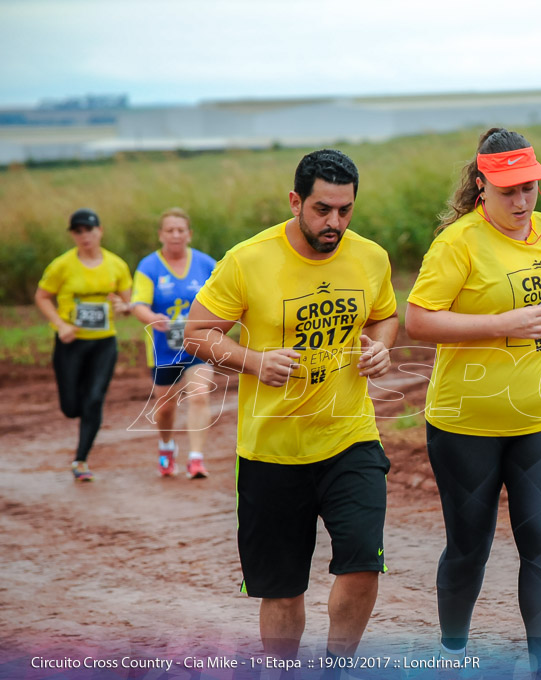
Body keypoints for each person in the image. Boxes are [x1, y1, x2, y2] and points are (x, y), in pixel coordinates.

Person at [183, 149, 398, 664]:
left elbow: (385, 316)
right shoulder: (248, 259)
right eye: (323, 209)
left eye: (346, 210)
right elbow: (194, 334)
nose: (335, 222)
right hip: (272, 451)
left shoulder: (370, 256)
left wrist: (382, 345)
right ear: (295, 200)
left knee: (363, 563)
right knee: (282, 589)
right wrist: (253, 360)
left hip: (350, 437)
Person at [405, 127, 541, 678]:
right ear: (482, 183)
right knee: (469, 545)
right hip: (466, 422)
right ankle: (453, 654)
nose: (520, 201)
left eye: (528, 188)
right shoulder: (458, 242)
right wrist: (497, 324)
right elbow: (418, 320)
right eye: (508, 190)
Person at [34, 208, 132, 482]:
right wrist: (60, 325)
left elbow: (128, 304)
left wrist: (123, 307)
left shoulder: (116, 265)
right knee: (71, 407)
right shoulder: (62, 265)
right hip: (71, 344)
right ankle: (77, 418)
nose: (84, 236)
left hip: (104, 344)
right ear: (73, 235)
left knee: (94, 399)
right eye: (78, 231)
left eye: (89, 230)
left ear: (100, 231)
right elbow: (42, 297)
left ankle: (81, 460)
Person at [130, 207, 218, 479]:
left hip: (198, 343)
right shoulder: (149, 266)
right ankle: (166, 446)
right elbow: (138, 304)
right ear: (161, 235)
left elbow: (225, 300)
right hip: (163, 348)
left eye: (181, 230)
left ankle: (196, 458)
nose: (176, 235)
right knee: (166, 408)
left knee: (200, 395)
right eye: (170, 230)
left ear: (189, 235)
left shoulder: (207, 264)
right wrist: (151, 317)